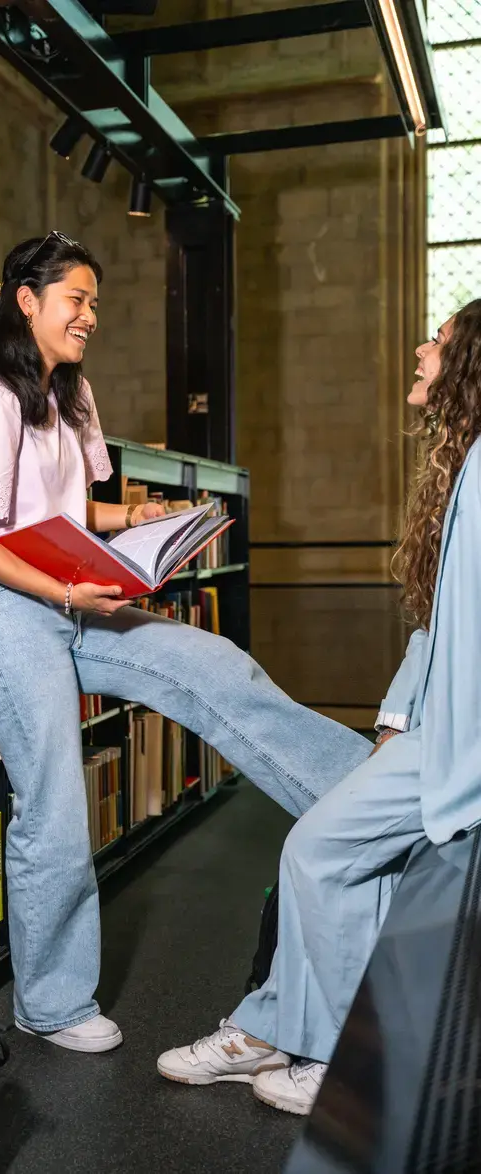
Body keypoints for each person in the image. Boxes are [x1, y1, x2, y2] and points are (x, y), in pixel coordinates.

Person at [0, 231, 371, 1054]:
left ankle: (364, 802)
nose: (90, 316)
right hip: (5, 611)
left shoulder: (72, 394)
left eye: (95, 301)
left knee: (214, 665)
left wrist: (132, 519)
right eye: (78, 299)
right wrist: (67, 589)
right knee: (57, 801)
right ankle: (51, 1003)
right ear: (26, 300)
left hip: (73, 601)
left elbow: (70, 514)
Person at [158, 299, 481, 1114]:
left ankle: (340, 1061)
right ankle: (277, 1030)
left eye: (437, 344)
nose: (418, 351)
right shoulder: (467, 461)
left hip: (460, 743)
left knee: (314, 853)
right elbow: (446, 624)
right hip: (433, 731)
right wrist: (399, 713)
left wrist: (448, 763)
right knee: (340, 860)